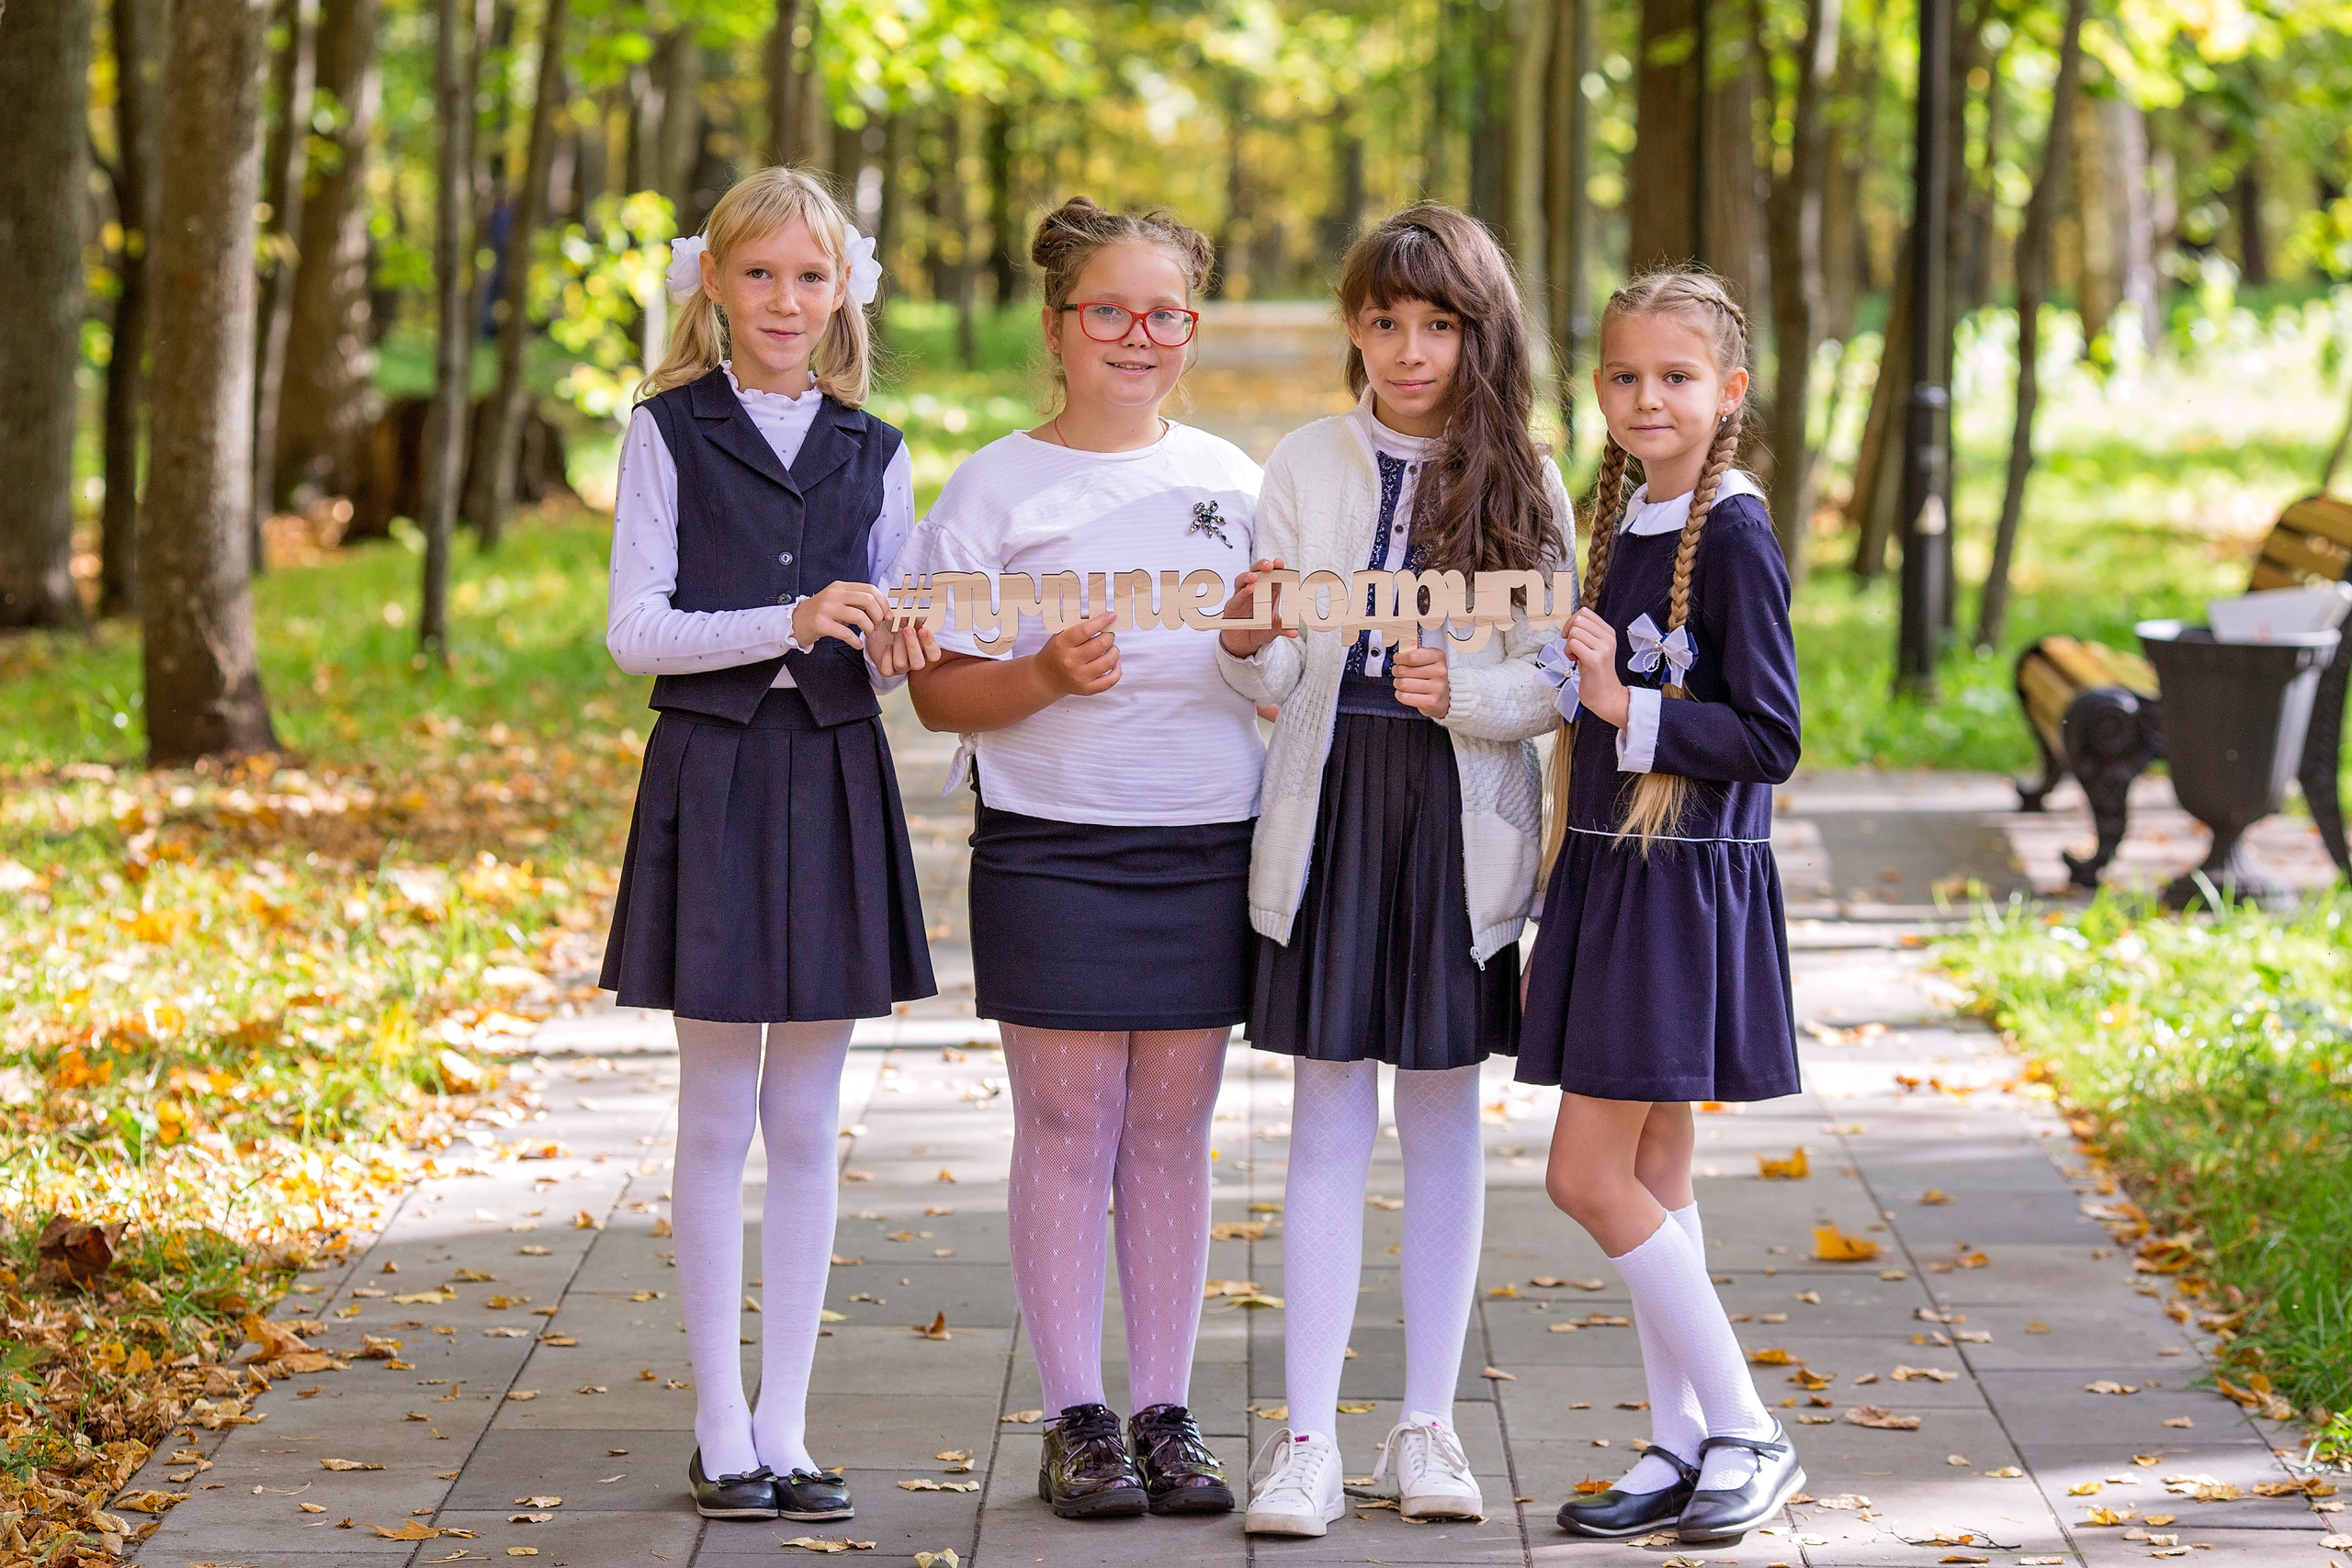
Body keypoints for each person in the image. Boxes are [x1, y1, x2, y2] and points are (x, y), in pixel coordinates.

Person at [895, 197, 1261, 1521]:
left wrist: (1261, 652)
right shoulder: (995, 486)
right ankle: (1076, 1419)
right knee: (1065, 1127)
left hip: (1207, 838)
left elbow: (1284, 672)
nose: (1138, 336)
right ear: (1057, 327)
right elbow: (939, 695)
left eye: (1165, 313)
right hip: (1053, 847)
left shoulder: (1234, 482)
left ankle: (1166, 1410)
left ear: (1192, 329)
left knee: (1170, 1133)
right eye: (1109, 310)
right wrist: (1044, 673)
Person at [1213, 204, 1573, 1538]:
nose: (1409, 351)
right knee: (1321, 1117)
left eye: (1437, 325)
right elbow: (1281, 666)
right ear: (1353, 327)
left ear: (1480, 334)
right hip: (1330, 814)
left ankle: (1428, 1425)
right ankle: (1305, 1438)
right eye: (1384, 322)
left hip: (1453, 819)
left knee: (1439, 1120)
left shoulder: (1521, 475)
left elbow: (1552, 679)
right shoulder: (1307, 462)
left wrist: (1464, 691)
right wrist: (1251, 640)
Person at [598, 165, 938, 1524]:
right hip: (715, 779)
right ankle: (718, 1421)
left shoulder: (879, 448)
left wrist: (906, 644)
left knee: (807, 1120)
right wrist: (792, 619)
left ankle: (789, 1423)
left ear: (842, 286)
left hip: (835, 780)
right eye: (758, 276)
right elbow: (637, 631)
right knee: (715, 1114)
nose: (785, 300)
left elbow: (895, 630)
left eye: (810, 276)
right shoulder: (663, 432)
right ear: (711, 286)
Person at [1516, 267, 1806, 1546]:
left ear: (1728, 391)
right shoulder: (1631, 515)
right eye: (1626, 377)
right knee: (1651, 1170)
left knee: (1584, 1176)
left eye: (1677, 378)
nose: (1648, 398)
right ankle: (1681, 1439)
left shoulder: (1734, 531)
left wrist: (1628, 706)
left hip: (1679, 892)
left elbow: (1771, 736)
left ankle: (1748, 1425)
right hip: (1611, 871)